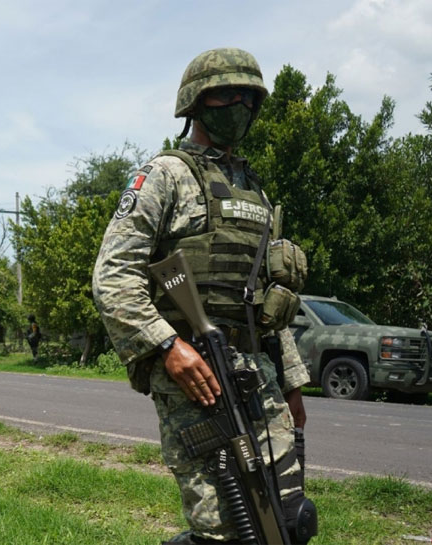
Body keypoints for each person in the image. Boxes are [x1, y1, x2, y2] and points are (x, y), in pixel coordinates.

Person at [92, 48, 313, 544]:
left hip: (260, 375)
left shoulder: (254, 190)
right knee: (226, 528)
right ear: (196, 102)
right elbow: (112, 276)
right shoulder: (166, 174)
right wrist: (167, 347)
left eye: (248, 97)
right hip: (198, 379)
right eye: (226, 94)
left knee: (289, 519)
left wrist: (292, 380)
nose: (239, 105)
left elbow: (266, 300)